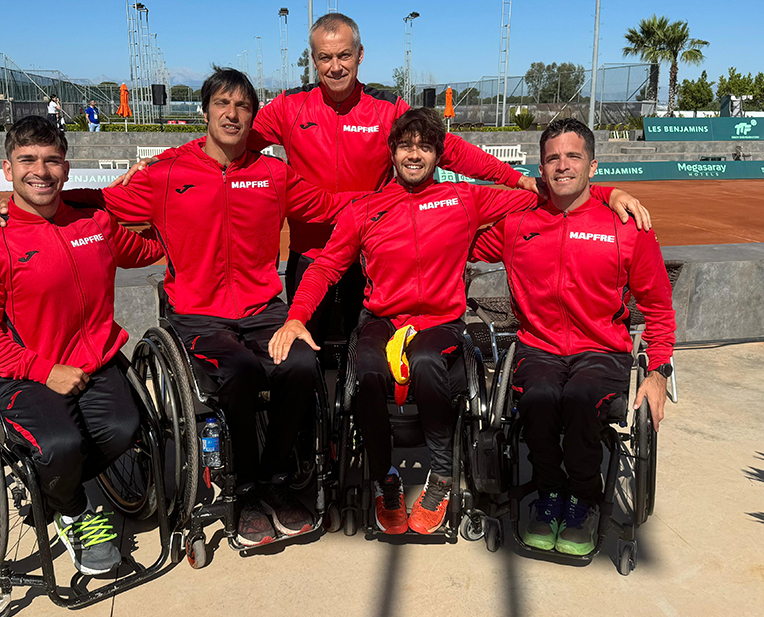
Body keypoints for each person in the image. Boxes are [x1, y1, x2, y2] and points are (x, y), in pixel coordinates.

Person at [0, 68, 364, 548]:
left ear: (253, 117)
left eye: (243, 106)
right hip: (197, 314)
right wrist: (15, 206)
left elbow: (334, 205)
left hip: (264, 309)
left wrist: (404, 199)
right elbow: (101, 201)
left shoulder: (273, 174)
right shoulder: (168, 173)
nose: (232, 114)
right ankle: (242, 487)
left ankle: (275, 479)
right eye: (222, 104)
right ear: (205, 112)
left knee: (302, 362)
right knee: (240, 371)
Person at [268, 108, 647, 536]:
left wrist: (607, 194)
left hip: (439, 321)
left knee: (429, 361)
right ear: (391, 153)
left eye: (425, 147)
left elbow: (553, 193)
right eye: (406, 146)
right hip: (383, 318)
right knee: (369, 371)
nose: (415, 155)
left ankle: (442, 477)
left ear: (438, 156)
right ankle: (383, 479)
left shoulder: (464, 200)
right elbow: (325, 267)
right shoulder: (364, 209)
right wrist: (296, 316)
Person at [118, 12, 543, 349]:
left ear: (360, 56)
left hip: (369, 246)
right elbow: (230, 137)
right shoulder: (289, 106)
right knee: (306, 348)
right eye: (325, 57)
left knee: (363, 346)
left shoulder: (387, 106)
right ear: (313, 59)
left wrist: (512, 178)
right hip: (309, 251)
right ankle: (312, 450)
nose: (335, 66)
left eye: (344, 56)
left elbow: (448, 148)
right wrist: (168, 157)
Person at [0, 116, 164, 575]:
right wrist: (43, 370)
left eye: (51, 161)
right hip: (23, 371)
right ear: (8, 170)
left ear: (66, 169)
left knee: (125, 428)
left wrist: (174, 209)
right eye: (27, 160)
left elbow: (148, 250)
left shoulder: (95, 222)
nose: (40, 171)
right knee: (61, 445)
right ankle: (71, 508)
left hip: (95, 360)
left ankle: (62, 486)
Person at [470, 117, 676, 556]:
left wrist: (657, 370)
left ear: (593, 165)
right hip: (538, 345)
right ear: (540, 169)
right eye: (552, 158)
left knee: (582, 398)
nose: (562, 165)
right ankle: (549, 492)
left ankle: (583, 496)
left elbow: (658, 307)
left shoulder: (627, 227)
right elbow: (456, 238)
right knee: (541, 398)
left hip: (601, 348)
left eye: (573, 156)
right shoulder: (517, 223)